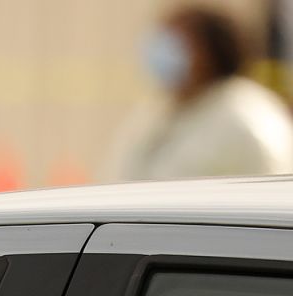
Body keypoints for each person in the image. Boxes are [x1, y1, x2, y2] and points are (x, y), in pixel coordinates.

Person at [109, 5, 293, 181]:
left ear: (209, 52)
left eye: (176, 42)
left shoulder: (248, 117)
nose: (163, 51)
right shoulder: (157, 111)